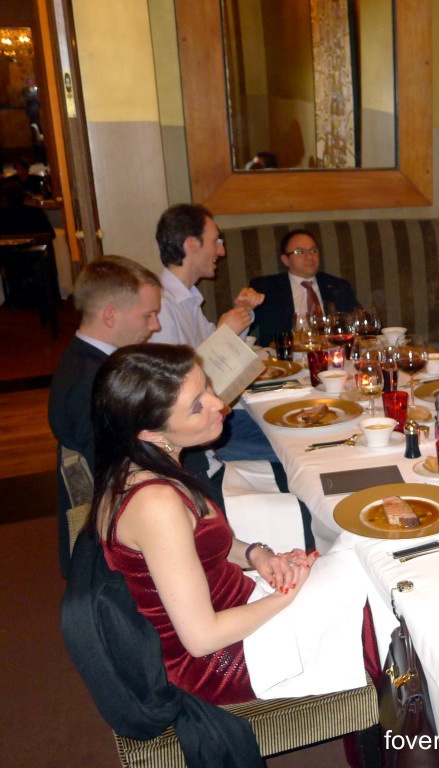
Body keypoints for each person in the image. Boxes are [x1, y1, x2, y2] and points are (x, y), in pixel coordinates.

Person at [87, 344, 317, 704]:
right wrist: (285, 596)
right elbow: (201, 639)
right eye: (197, 406)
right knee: (369, 608)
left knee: (358, 572)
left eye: (207, 386)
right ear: (150, 433)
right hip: (221, 663)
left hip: (236, 606)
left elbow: (198, 544)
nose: (219, 404)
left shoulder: (144, 467)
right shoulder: (155, 504)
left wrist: (257, 555)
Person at [48, 256, 162, 576]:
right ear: (110, 315)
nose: (155, 326)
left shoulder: (90, 362)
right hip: (116, 543)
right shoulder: (90, 382)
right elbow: (117, 474)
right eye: (148, 315)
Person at [149, 203, 264, 348]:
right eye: (216, 241)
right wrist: (223, 335)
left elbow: (221, 355)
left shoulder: (189, 299)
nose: (222, 251)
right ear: (192, 244)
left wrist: (242, 311)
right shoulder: (161, 307)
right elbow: (176, 365)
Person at [249, 228, 358, 347]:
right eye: (300, 252)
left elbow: (358, 322)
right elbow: (245, 327)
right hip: (284, 355)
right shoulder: (265, 288)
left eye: (313, 250)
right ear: (285, 260)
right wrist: (244, 307)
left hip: (332, 353)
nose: (310, 256)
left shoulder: (339, 286)